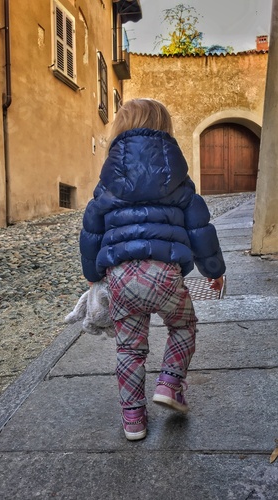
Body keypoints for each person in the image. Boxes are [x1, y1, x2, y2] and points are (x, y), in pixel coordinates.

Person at [79, 98, 225, 441]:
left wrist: (91, 274)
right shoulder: (177, 179)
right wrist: (213, 269)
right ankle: (171, 383)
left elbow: (91, 230)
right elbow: (200, 228)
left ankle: (133, 420)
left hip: (121, 277)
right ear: (165, 132)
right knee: (184, 325)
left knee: (129, 349)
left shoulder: (107, 183)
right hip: (165, 273)